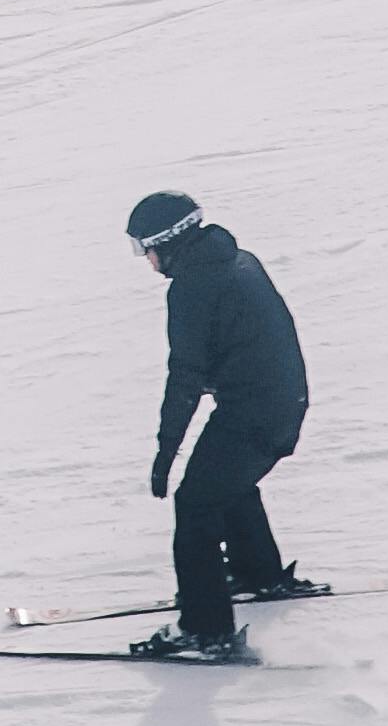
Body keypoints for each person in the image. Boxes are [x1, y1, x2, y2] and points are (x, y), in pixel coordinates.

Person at [125, 189, 317, 658]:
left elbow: (185, 376)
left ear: (168, 242)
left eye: (144, 248)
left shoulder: (192, 287)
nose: (145, 259)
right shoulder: (238, 260)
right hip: (281, 403)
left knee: (195, 506)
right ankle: (259, 574)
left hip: (255, 410)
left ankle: (206, 629)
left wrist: (166, 450)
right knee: (225, 482)